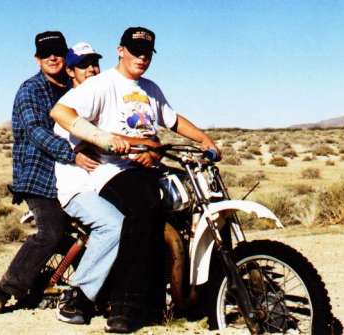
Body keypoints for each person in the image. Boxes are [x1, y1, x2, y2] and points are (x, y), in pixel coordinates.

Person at [50, 27, 220, 333]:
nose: (141, 58)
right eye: (135, 51)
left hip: (147, 168)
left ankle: (191, 292)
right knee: (144, 208)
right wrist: (104, 140)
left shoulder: (150, 89)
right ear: (120, 50)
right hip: (112, 170)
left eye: (146, 53)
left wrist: (206, 141)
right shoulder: (102, 84)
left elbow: (174, 120)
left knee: (188, 204)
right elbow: (60, 111)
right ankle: (125, 305)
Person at [0, 31, 124, 315]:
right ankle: (6, 289)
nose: (53, 58)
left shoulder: (71, 90)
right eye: (46, 54)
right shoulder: (30, 90)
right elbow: (36, 132)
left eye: (58, 52)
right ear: (37, 59)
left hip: (76, 173)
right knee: (51, 231)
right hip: (39, 176)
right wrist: (73, 155)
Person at [53, 42, 128, 325]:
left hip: (103, 182)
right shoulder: (73, 103)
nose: (92, 69)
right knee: (113, 225)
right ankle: (77, 296)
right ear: (70, 71)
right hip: (78, 187)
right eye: (84, 65)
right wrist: (76, 152)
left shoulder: (103, 97)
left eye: (95, 63)